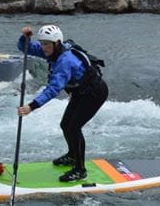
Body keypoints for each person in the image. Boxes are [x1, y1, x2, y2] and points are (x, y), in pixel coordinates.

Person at [16, 24, 109, 182]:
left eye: (46, 44)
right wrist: (25, 37)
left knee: (74, 128)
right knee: (65, 124)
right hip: (80, 93)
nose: (43, 47)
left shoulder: (65, 61)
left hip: (94, 94)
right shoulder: (52, 49)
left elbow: (53, 89)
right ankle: (73, 156)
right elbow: (25, 48)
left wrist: (31, 106)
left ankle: (80, 170)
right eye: (42, 43)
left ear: (57, 43)